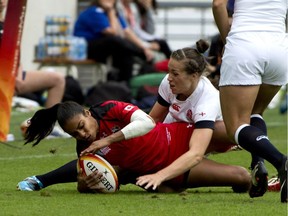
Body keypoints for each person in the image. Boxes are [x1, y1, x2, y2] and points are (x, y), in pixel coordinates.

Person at [17, 100, 251, 193]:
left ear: (88, 113)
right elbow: (98, 176)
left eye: (81, 125)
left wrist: (107, 139)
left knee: (236, 129)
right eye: (74, 133)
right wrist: (84, 186)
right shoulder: (86, 149)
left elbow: (146, 123)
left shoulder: (110, 109)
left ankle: (272, 160)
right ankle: (39, 180)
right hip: (167, 169)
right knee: (242, 178)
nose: (82, 134)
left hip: (177, 137)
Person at [212, 0, 287, 203]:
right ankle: (257, 165)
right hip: (279, 47)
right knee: (256, 112)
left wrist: (226, 39)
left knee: (235, 127)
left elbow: (218, 4)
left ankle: (281, 161)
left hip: (245, 44)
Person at [0, 0, 66, 109]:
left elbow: (16, 56)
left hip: (14, 77)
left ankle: (47, 125)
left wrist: (18, 76)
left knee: (57, 79)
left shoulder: (11, 24)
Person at [74, 0, 156, 83]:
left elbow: (127, 32)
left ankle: (126, 86)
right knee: (114, 41)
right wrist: (110, 11)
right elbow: (113, 32)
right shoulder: (94, 12)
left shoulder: (114, 13)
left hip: (107, 49)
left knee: (125, 52)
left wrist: (144, 47)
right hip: (85, 49)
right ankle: (141, 54)